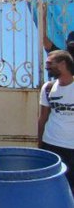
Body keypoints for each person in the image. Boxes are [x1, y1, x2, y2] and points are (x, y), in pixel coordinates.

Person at [38, 49, 74, 195]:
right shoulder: (48, 88)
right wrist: (40, 143)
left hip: (72, 146)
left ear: (63, 63)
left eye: (49, 63)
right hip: (51, 143)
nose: (47, 67)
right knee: (51, 186)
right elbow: (42, 117)